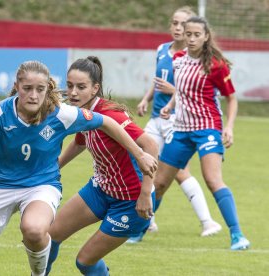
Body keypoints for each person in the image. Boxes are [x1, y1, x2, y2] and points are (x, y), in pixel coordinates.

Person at [0, 60, 158, 276]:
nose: (33, 94)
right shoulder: (0, 113)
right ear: (16, 87)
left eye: (39, 89)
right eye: (70, 86)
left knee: (59, 244)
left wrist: (142, 169)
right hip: (16, 186)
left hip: (118, 196)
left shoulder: (69, 113)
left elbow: (118, 128)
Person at [45, 56, 159, 276]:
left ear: (95, 88)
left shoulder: (110, 114)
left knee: (85, 262)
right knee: (49, 237)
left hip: (131, 200)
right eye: (70, 86)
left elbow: (150, 146)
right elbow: (80, 141)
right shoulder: (82, 113)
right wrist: (53, 168)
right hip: (101, 189)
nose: (74, 92)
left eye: (81, 87)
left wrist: (146, 193)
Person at [156, 16, 250, 250]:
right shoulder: (178, 60)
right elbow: (181, 91)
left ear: (206, 36)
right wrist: (170, 106)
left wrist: (228, 127)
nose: (191, 38)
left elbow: (231, 99)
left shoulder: (216, 65)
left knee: (212, 179)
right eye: (188, 34)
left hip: (207, 128)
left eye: (197, 34)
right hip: (181, 129)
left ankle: (237, 235)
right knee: (159, 183)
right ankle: (137, 229)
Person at [131, 6, 221, 240]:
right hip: (156, 118)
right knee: (142, 161)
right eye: (174, 23)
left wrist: (174, 92)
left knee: (179, 172)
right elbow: (157, 80)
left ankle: (207, 221)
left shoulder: (195, 59)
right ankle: (148, 220)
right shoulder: (162, 50)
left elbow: (189, 90)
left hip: (179, 120)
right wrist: (145, 99)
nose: (178, 28)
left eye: (183, 24)